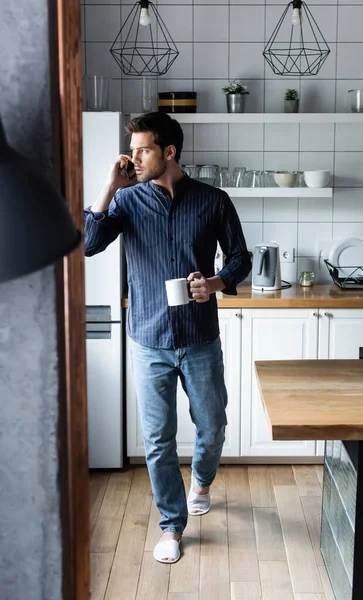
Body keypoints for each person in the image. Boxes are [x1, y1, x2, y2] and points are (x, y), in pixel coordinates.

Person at [84, 112, 251, 564]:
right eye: (133, 149)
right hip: (148, 339)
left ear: (169, 152)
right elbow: (87, 242)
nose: (133, 157)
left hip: (200, 337)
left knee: (213, 426)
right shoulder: (127, 201)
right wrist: (109, 187)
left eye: (143, 150)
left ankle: (202, 481)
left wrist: (213, 284)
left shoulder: (213, 200)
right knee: (158, 439)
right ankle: (172, 526)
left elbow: (240, 258)